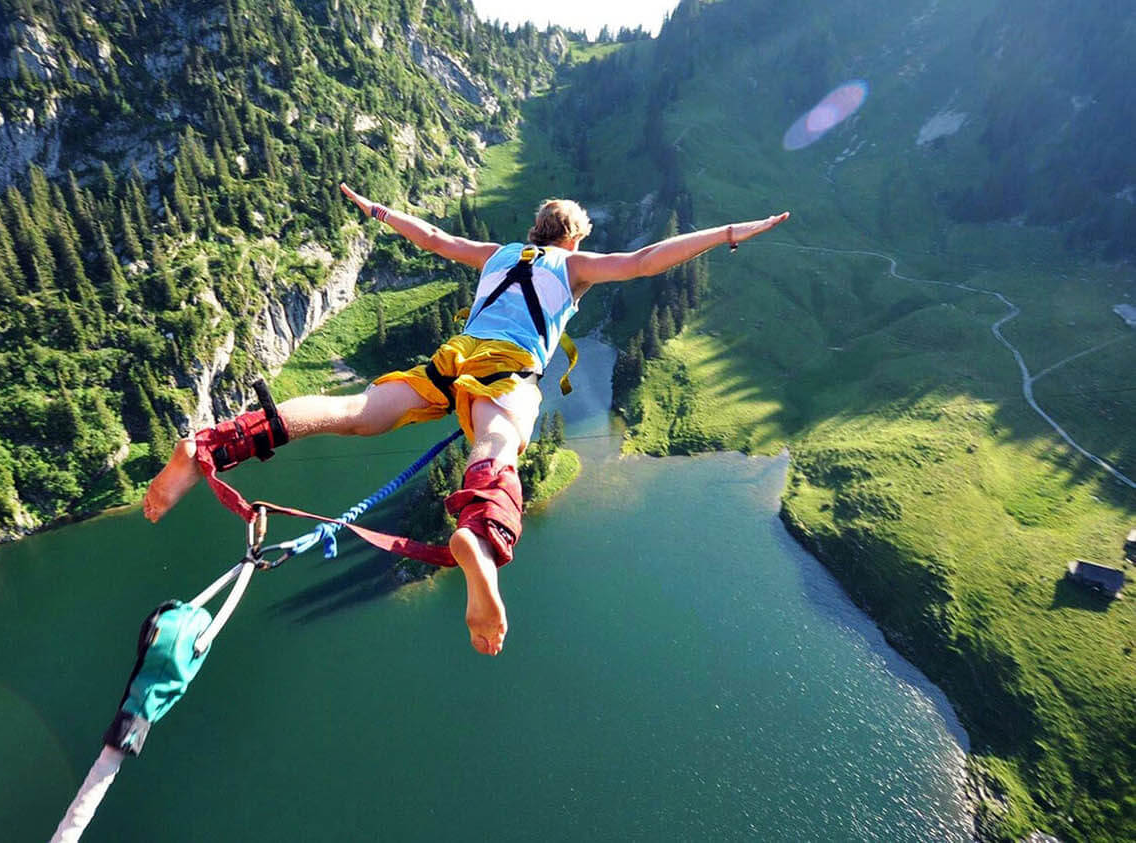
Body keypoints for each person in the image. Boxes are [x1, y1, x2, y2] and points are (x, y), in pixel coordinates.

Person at [143, 183, 789, 656]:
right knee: (499, 440)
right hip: (507, 368)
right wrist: (729, 232)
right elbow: (647, 259)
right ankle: (476, 534)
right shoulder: (574, 265)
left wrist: (377, 210)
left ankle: (211, 446)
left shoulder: (498, 254)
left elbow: (430, 237)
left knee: (356, 411)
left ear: (534, 229)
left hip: (452, 358)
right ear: (572, 238)